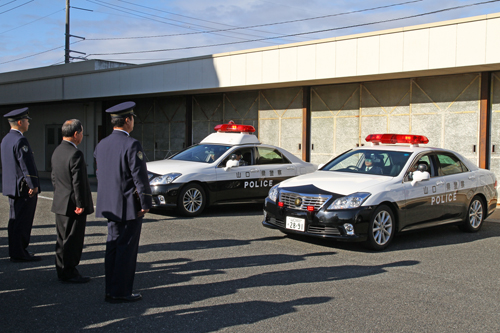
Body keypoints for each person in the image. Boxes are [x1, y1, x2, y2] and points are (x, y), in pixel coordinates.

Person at [94, 101, 152, 303]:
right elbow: (139, 176)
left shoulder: (102, 144)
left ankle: (111, 289)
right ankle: (122, 292)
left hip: (110, 204)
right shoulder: (131, 144)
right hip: (128, 205)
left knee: (112, 246)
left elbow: (100, 174)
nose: (133, 121)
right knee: (127, 249)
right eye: (133, 118)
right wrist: (145, 202)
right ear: (127, 120)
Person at [51, 119, 94, 283]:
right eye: (82, 132)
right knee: (73, 239)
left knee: (62, 238)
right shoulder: (75, 153)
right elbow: (78, 182)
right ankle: (70, 271)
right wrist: (80, 203)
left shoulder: (57, 151)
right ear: (76, 134)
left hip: (60, 202)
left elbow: (54, 178)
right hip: (72, 204)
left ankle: (61, 268)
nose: (82, 135)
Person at [1, 107, 41, 262]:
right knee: (23, 221)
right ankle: (20, 252)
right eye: (26, 121)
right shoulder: (20, 140)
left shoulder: (6, 139)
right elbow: (26, 164)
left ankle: (15, 250)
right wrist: (33, 184)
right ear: (19, 122)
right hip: (23, 187)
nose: (28, 124)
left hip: (12, 186)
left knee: (14, 220)